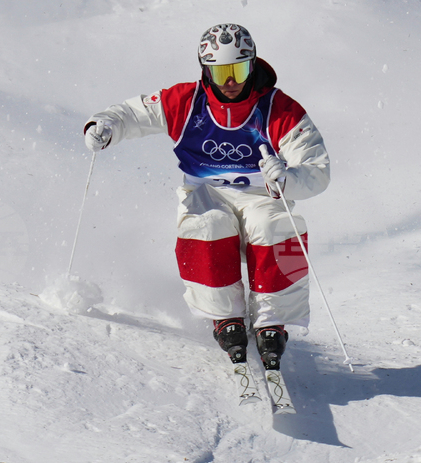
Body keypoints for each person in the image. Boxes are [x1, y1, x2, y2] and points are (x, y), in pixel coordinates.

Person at [83, 23, 330, 371]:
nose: (231, 82)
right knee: (208, 226)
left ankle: (273, 320)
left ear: (253, 64)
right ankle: (225, 316)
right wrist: (106, 125)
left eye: (239, 70)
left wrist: (288, 179)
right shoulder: (186, 101)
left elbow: (317, 170)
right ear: (205, 70)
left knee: (274, 226)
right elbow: (135, 112)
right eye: (221, 72)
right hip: (206, 191)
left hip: (262, 193)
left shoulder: (280, 109)